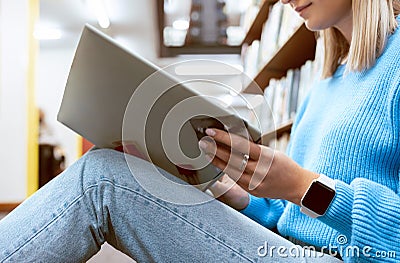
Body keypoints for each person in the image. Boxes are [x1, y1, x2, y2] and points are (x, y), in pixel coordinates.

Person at [1, 0, 399, 261]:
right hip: (286, 247)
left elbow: (311, 197)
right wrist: (215, 182)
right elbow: (286, 218)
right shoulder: (324, 85)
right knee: (112, 166)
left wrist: (300, 185)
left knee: (102, 179)